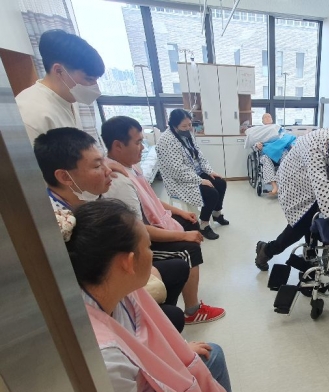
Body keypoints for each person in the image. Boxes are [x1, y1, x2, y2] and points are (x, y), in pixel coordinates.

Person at [63, 199, 272, 392]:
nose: (153, 255)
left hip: (148, 385)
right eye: (148, 247)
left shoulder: (113, 288)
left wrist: (179, 351)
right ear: (127, 263)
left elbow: (143, 339)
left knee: (212, 354)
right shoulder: (104, 353)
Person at [33, 127, 189, 332]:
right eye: (98, 165)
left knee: (177, 270)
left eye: (105, 162)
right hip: (98, 301)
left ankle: (161, 320)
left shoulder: (87, 199)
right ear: (65, 176)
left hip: (114, 279)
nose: (108, 171)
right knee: (172, 314)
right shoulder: (59, 226)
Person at [101, 116, 226, 325]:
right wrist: (183, 235)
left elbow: (150, 198)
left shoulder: (131, 167)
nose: (143, 147)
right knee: (190, 248)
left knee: (194, 218)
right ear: (118, 146)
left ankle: (211, 219)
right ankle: (193, 310)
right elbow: (138, 230)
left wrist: (179, 212)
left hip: (157, 214)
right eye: (138, 142)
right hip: (143, 232)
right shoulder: (120, 182)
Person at [255, 120, 329, 271]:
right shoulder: (314, 145)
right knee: (300, 226)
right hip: (295, 181)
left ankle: (310, 260)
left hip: (317, 180)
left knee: (314, 222)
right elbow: (322, 187)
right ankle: (267, 250)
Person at [15, 29, 104, 144]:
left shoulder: (69, 96)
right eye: (89, 79)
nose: (94, 87)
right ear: (59, 71)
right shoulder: (29, 115)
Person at [156, 109, 229, 240]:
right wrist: (200, 181)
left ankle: (216, 214)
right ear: (174, 125)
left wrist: (209, 171)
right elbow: (177, 169)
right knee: (211, 193)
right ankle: (204, 225)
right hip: (179, 180)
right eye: (184, 126)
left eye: (189, 124)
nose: (188, 128)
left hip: (195, 173)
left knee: (220, 182)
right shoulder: (166, 141)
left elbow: (199, 155)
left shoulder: (187, 134)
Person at [252, 113, 295, 196]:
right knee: (265, 159)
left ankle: (283, 184)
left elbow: (287, 138)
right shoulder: (259, 131)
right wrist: (257, 145)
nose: (268, 118)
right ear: (262, 121)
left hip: (280, 152)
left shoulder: (278, 129)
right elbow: (254, 143)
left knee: (286, 155)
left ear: (272, 119)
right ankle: (274, 186)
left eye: (269, 116)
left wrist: (292, 144)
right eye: (265, 117)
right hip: (266, 153)